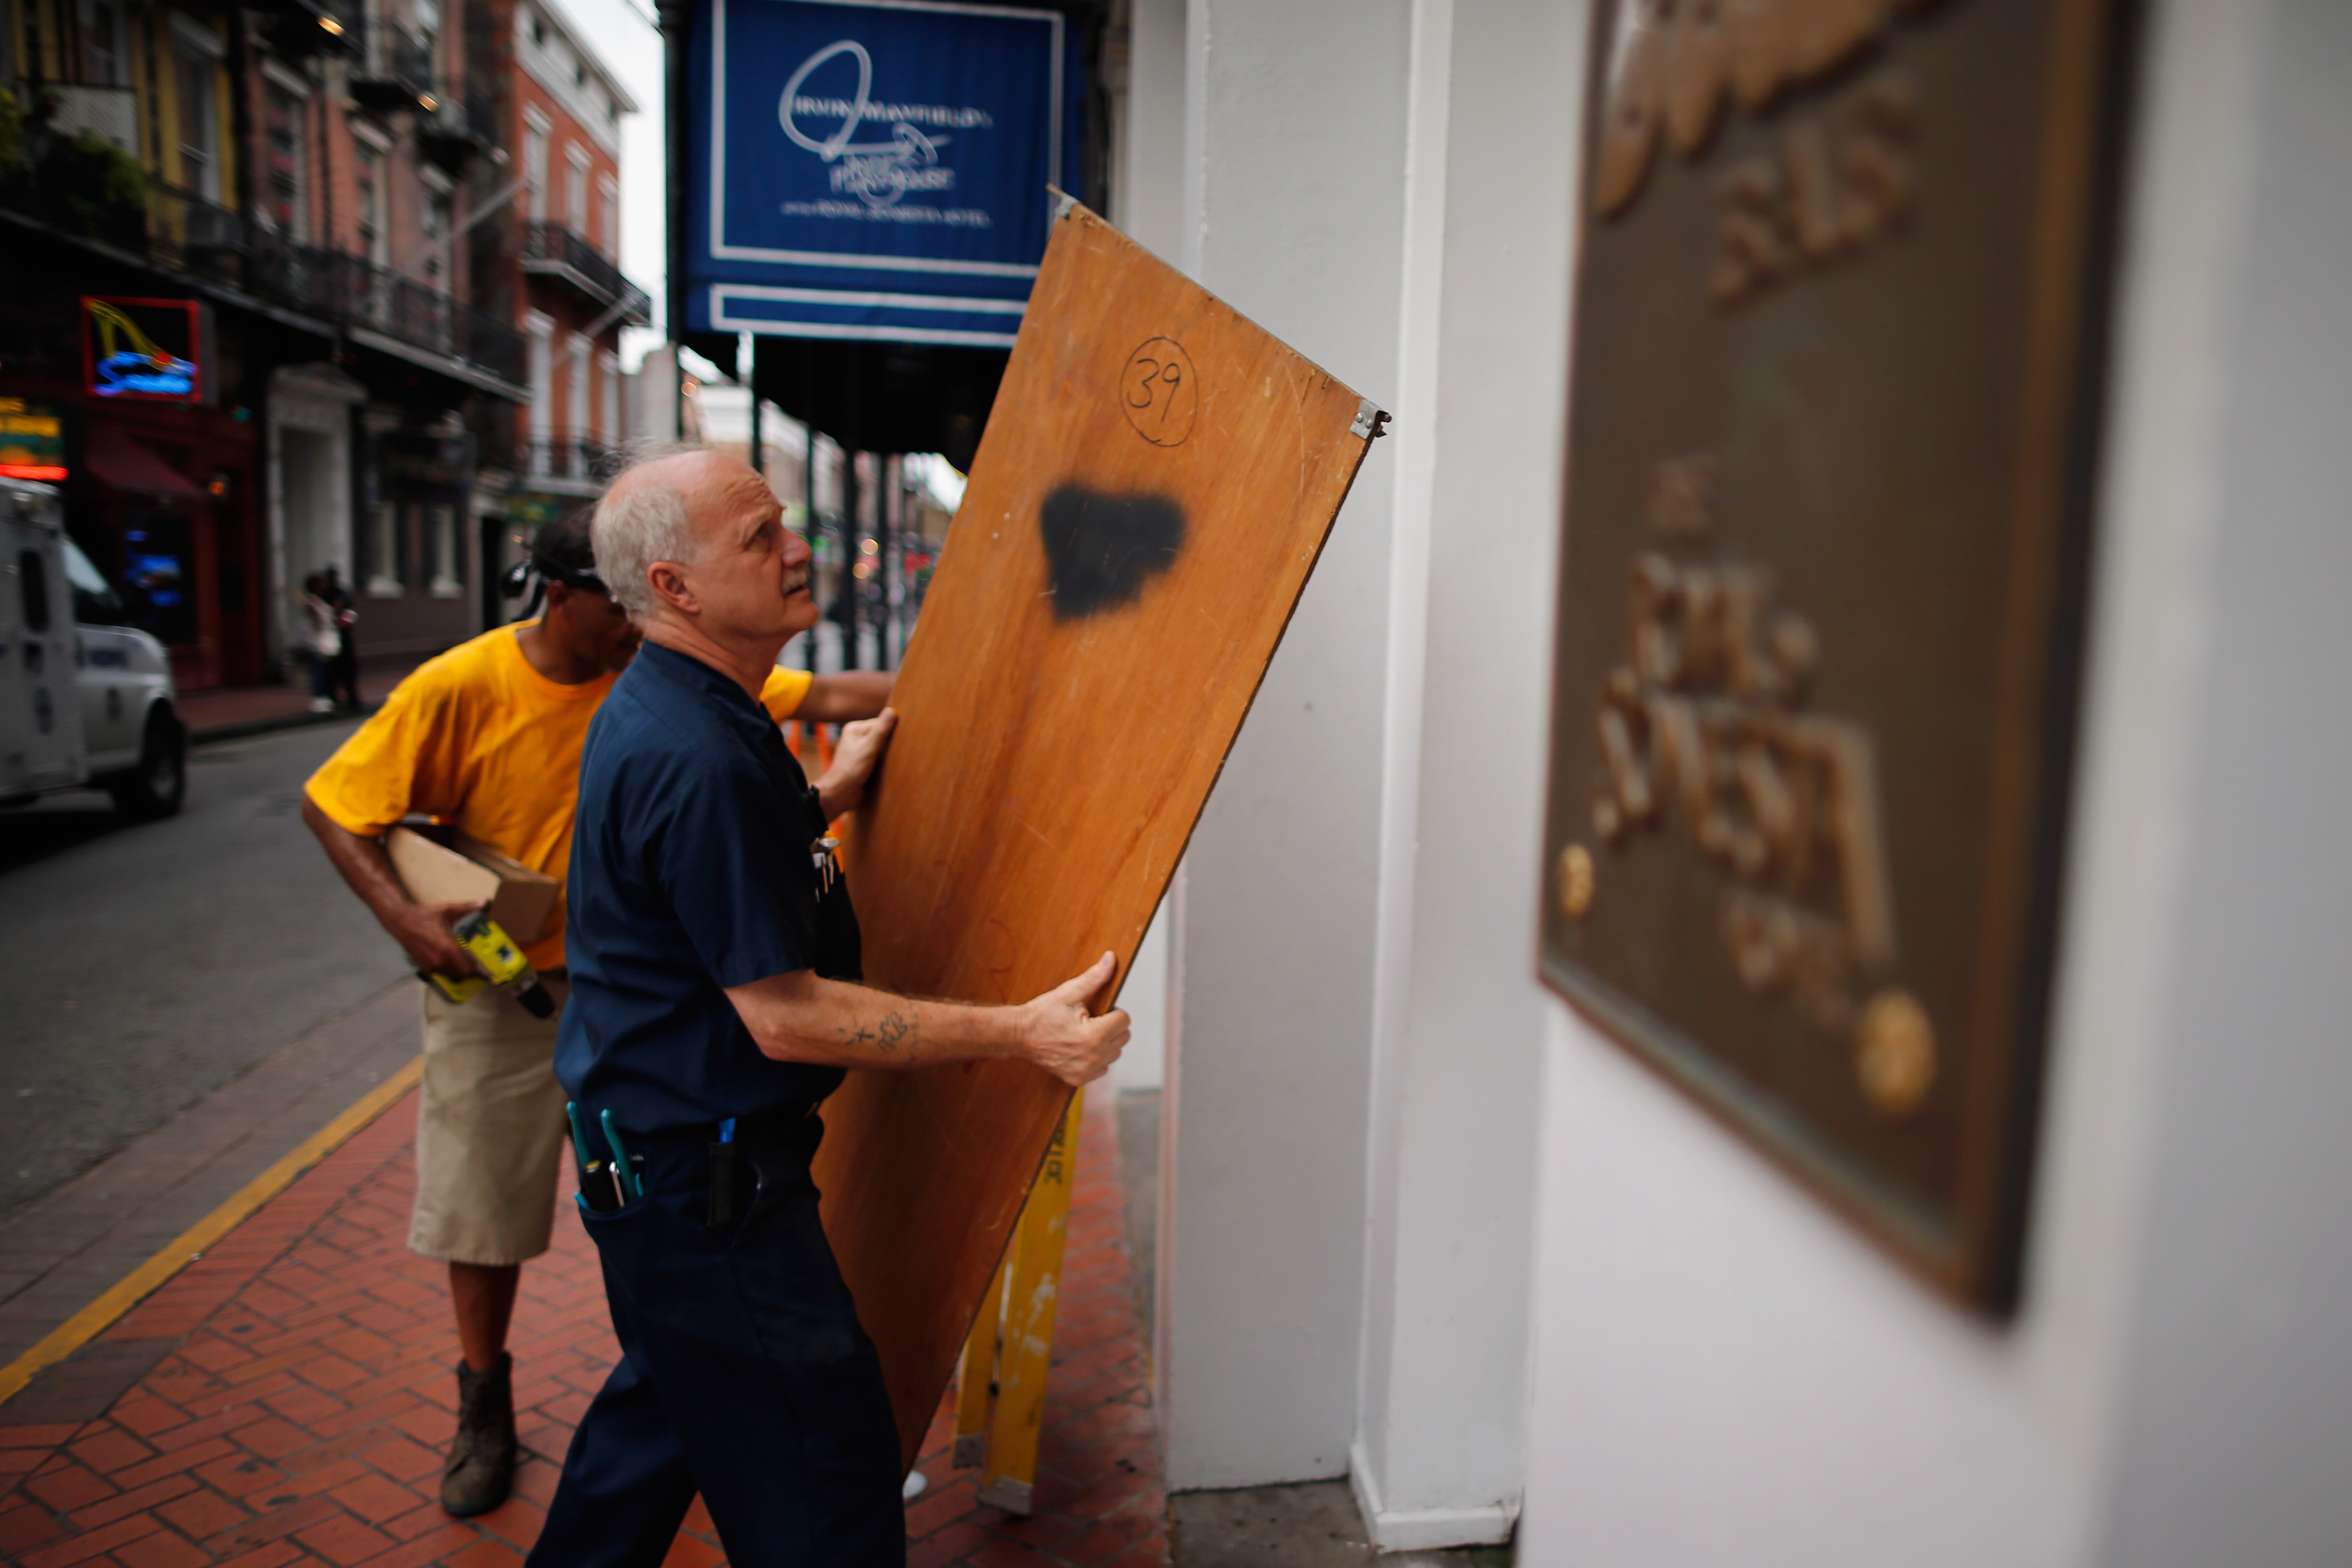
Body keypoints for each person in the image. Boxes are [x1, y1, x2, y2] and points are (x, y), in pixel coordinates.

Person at [528, 449, 1128, 1568]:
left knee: (652, 1437)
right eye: (757, 536)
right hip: (704, 1200)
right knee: (825, 1486)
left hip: (651, 1177)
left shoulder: (692, 707)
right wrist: (1020, 1030)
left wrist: (819, 798)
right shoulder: (696, 748)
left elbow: (698, 878)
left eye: (781, 521)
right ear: (676, 587)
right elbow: (785, 1016)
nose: (796, 545)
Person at [299, 513, 893, 1517]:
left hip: (638, 992)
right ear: (561, 593)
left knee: (663, 1236)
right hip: (506, 990)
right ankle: (482, 1393)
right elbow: (333, 801)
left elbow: (831, 695)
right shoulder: (463, 685)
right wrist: (407, 920)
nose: (639, 621)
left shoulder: (660, 674)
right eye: (619, 604)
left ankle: (675, 1386)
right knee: (484, 1204)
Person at [318, 565, 362, 711]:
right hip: (331, 637)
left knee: (348, 669)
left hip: (344, 638)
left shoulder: (342, 596)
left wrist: (344, 620)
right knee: (333, 670)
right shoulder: (324, 597)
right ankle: (333, 697)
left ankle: (352, 698)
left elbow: (350, 614)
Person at [299, 572, 339, 714]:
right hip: (317, 642)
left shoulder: (320, 602)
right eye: (320, 585)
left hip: (324, 639)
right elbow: (317, 621)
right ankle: (318, 699)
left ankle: (324, 697)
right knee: (319, 671)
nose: (323, 587)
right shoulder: (312, 602)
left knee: (324, 671)